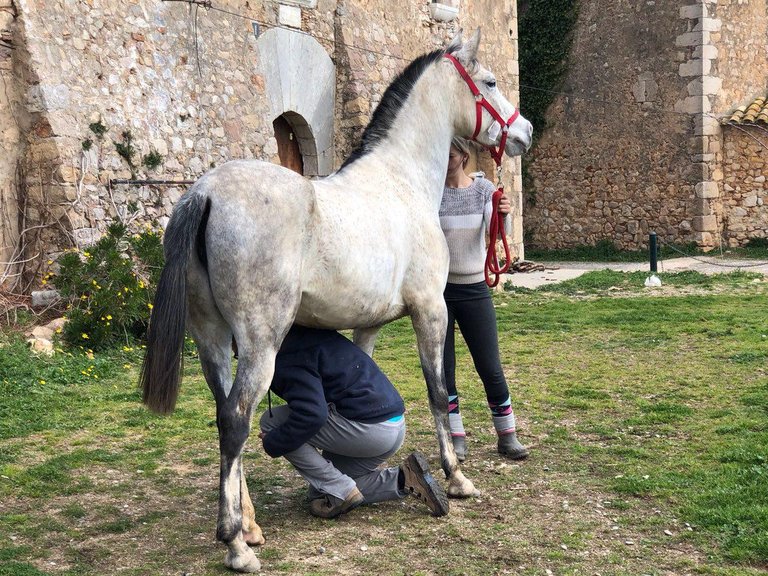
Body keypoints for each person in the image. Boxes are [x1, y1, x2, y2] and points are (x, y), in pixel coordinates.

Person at [259, 325, 449, 519]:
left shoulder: (287, 356)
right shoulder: (315, 333)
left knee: (271, 421)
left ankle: (343, 489)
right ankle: (404, 479)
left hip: (367, 430)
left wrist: (274, 441)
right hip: (395, 425)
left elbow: (312, 414)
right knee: (321, 491)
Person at [439, 136, 529, 462]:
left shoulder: (483, 190)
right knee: (443, 369)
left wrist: (504, 210)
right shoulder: (432, 193)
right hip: (440, 292)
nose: (445, 159)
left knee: (489, 366)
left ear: (464, 155)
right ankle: (456, 436)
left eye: (450, 153)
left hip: (475, 288)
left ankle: (507, 435)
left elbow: (497, 230)